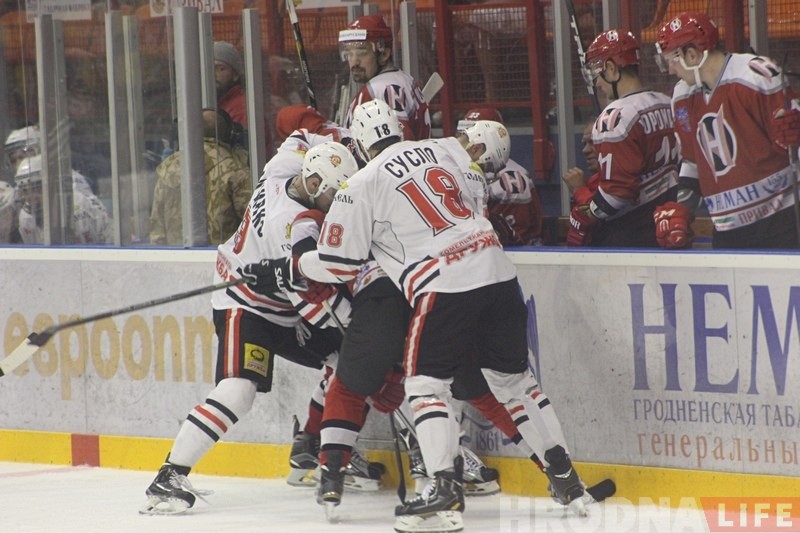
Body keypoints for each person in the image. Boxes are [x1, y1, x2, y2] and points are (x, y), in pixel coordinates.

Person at [247, 100, 589, 532]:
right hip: (497, 272)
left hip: (443, 283)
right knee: (517, 385)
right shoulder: (444, 147)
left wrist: (289, 266)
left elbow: (338, 265)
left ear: (359, 143)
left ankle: (443, 491)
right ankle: (566, 478)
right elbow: (475, 175)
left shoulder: (361, 183)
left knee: (426, 386)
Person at [140, 142, 356, 516]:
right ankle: (170, 474)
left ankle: (312, 445)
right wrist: (356, 327)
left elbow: (298, 134)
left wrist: (334, 138)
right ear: (315, 183)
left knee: (345, 363)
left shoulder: (283, 168)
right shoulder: (290, 227)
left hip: (282, 305)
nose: (337, 204)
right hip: (246, 305)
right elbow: (311, 301)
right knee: (239, 390)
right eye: (334, 194)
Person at [656, 11, 800, 249]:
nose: (671, 70)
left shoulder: (756, 77)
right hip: (726, 231)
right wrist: (682, 208)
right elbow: (692, 161)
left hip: (780, 224)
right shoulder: (682, 96)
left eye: (671, 59)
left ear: (692, 55)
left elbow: (793, 146)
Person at [566, 29, 680, 248]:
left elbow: (615, 195)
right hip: (669, 226)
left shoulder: (615, 116)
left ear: (611, 68)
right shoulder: (667, 102)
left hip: (629, 235)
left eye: (598, 73)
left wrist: (586, 209)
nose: (597, 83)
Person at [149, 108, 252, 246]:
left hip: (176, 255)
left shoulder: (167, 169)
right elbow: (251, 220)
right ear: (227, 135)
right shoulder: (234, 168)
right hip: (224, 255)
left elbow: (157, 228)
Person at [457, 107, 542, 246]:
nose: (462, 140)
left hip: (516, 252)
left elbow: (516, 237)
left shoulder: (512, 177)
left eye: (468, 136)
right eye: (462, 134)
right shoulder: (459, 167)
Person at [338, 15, 431, 140]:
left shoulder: (381, 89)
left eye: (362, 52)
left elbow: (399, 143)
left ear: (385, 54)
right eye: (349, 52)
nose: (354, 62)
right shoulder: (404, 79)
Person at [14, 154, 112, 245]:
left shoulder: (77, 207)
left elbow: (92, 250)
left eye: (36, 189)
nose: (30, 197)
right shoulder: (25, 218)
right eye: (25, 191)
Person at [213, 41, 272, 157]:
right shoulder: (219, 103)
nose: (214, 74)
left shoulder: (241, 108)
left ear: (235, 75)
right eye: (209, 68)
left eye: (221, 69)